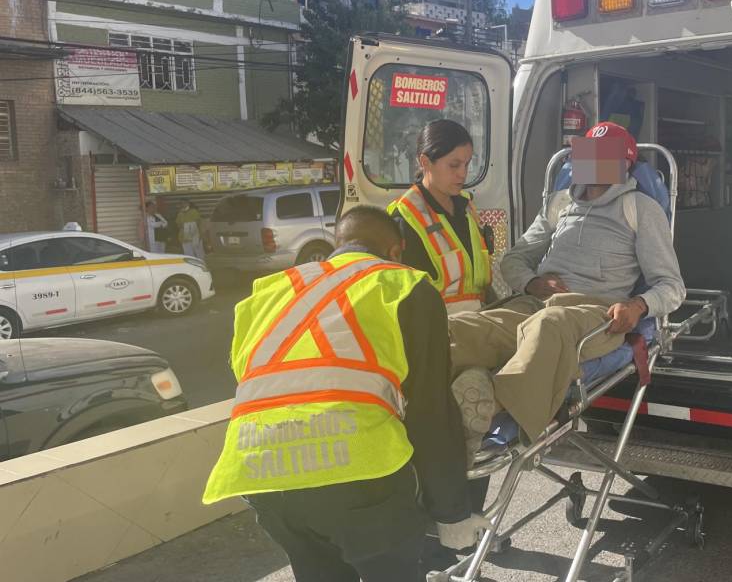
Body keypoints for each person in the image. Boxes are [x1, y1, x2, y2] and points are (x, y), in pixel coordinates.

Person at [202, 206, 489, 582]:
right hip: (360, 481)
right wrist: (452, 511)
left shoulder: (266, 293)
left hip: (260, 472)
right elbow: (429, 410)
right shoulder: (403, 285)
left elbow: (257, 380)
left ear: (339, 244)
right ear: (396, 251)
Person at [448, 122, 686, 442]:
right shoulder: (560, 204)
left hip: (594, 314)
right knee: (466, 326)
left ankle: (490, 404)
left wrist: (639, 305)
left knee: (549, 323)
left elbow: (672, 286)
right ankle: (426, 396)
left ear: (624, 165)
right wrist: (532, 283)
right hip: (535, 303)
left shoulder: (640, 209)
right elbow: (514, 260)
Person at [388, 119, 493, 316]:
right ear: (425, 162)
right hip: (437, 333)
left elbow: (481, 284)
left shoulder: (467, 207)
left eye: (467, 163)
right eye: (454, 165)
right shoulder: (405, 218)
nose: (462, 173)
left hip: (479, 325)